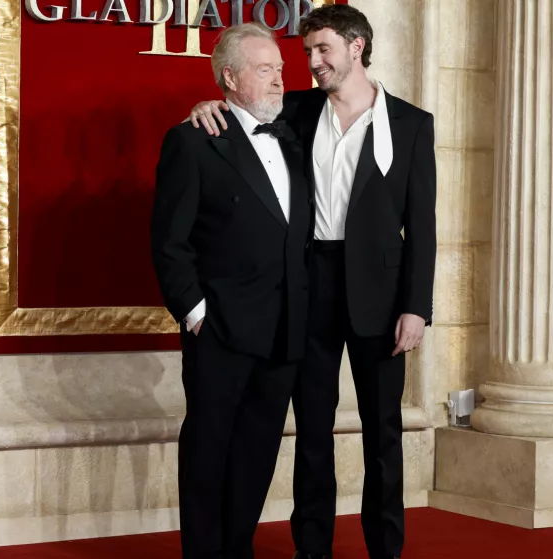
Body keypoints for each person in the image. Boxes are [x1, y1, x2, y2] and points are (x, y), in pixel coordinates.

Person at [185, 5, 437, 559]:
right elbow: (239, 122)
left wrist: (417, 306)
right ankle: (312, 549)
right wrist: (208, 105)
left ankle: (385, 549)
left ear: (357, 47)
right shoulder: (296, 112)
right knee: (312, 434)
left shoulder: (412, 124)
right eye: (307, 53)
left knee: (383, 434)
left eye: (322, 50)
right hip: (309, 287)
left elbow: (422, 224)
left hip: (382, 297)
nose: (312, 63)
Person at [150, 22, 312, 559]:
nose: (278, 81)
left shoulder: (294, 132)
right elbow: (169, 241)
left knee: (258, 451)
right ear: (230, 77)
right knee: (209, 450)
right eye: (265, 70)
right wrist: (196, 313)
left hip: (286, 326)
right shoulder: (193, 140)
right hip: (220, 327)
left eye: (281, 70)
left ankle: (237, 548)